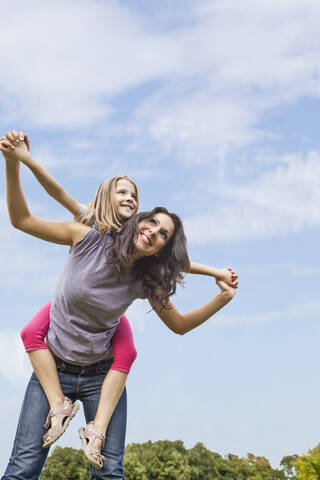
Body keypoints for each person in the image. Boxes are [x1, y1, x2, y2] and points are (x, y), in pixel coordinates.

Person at [1, 135, 237, 479]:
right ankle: (58, 404)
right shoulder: (89, 236)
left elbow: (180, 323)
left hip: (101, 374)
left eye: (163, 235)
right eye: (152, 222)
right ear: (138, 220)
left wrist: (220, 296)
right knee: (22, 467)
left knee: (110, 472)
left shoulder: (147, 280)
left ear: (161, 250)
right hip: (53, 366)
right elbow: (23, 219)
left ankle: (91, 429)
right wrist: (13, 163)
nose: (154, 232)